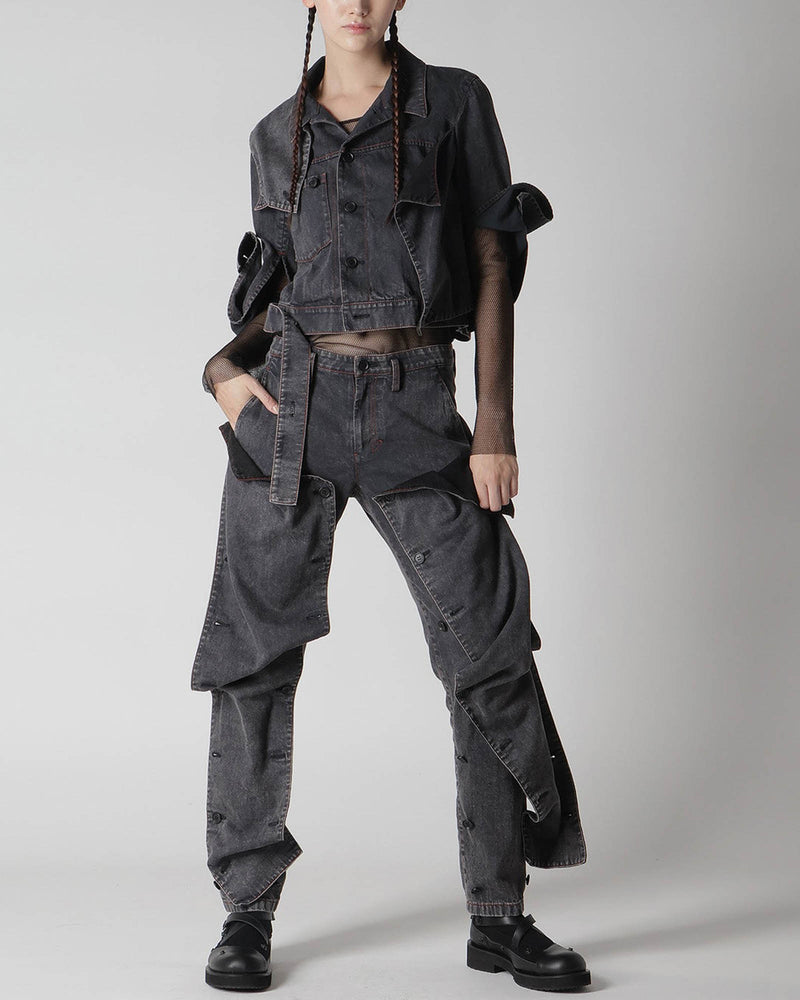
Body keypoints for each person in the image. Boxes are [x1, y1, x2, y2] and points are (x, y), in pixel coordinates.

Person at [191, 1, 590, 992]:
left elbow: (493, 260)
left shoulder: (453, 104)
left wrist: (493, 425)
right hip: (292, 411)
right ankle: (245, 911)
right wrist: (220, 369)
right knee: (252, 661)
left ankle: (499, 916)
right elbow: (277, 288)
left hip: (416, 406)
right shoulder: (272, 135)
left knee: (485, 647)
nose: (357, 2)